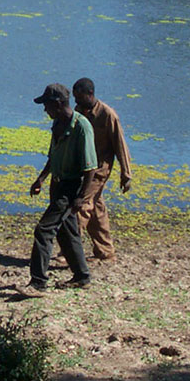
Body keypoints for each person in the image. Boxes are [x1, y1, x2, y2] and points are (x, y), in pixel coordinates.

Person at [19, 83, 97, 298]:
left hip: (71, 187)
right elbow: (53, 157)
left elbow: (91, 167)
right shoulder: (57, 124)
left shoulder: (82, 127)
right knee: (67, 232)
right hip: (57, 183)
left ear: (58, 103)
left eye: (46, 105)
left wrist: (81, 196)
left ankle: (38, 283)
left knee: (44, 230)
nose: (45, 110)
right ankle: (82, 276)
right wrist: (41, 179)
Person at [71, 77, 133, 261]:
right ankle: (105, 251)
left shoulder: (108, 115)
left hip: (99, 169)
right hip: (83, 167)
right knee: (96, 208)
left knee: (81, 205)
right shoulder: (79, 112)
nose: (77, 102)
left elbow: (120, 144)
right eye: (75, 98)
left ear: (90, 94)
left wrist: (126, 173)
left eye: (79, 97)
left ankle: (69, 252)